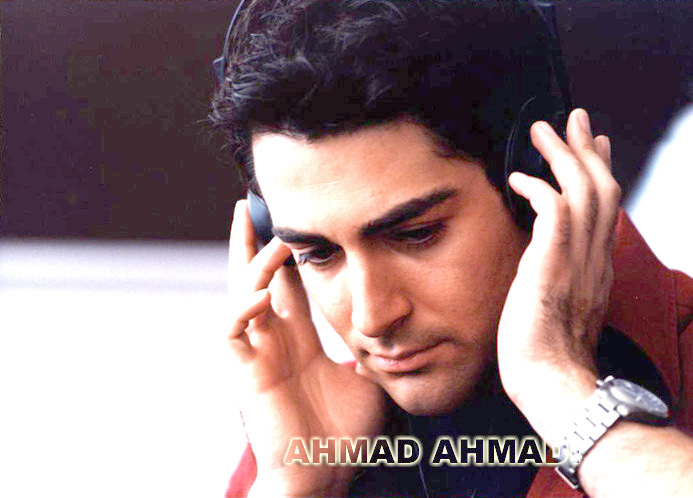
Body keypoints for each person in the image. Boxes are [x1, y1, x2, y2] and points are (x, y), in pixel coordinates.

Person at [209, 1, 693, 496]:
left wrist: (560, 391)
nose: (372, 319)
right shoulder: (311, 433)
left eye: (416, 234)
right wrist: (296, 484)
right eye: (318, 254)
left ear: (542, 183)